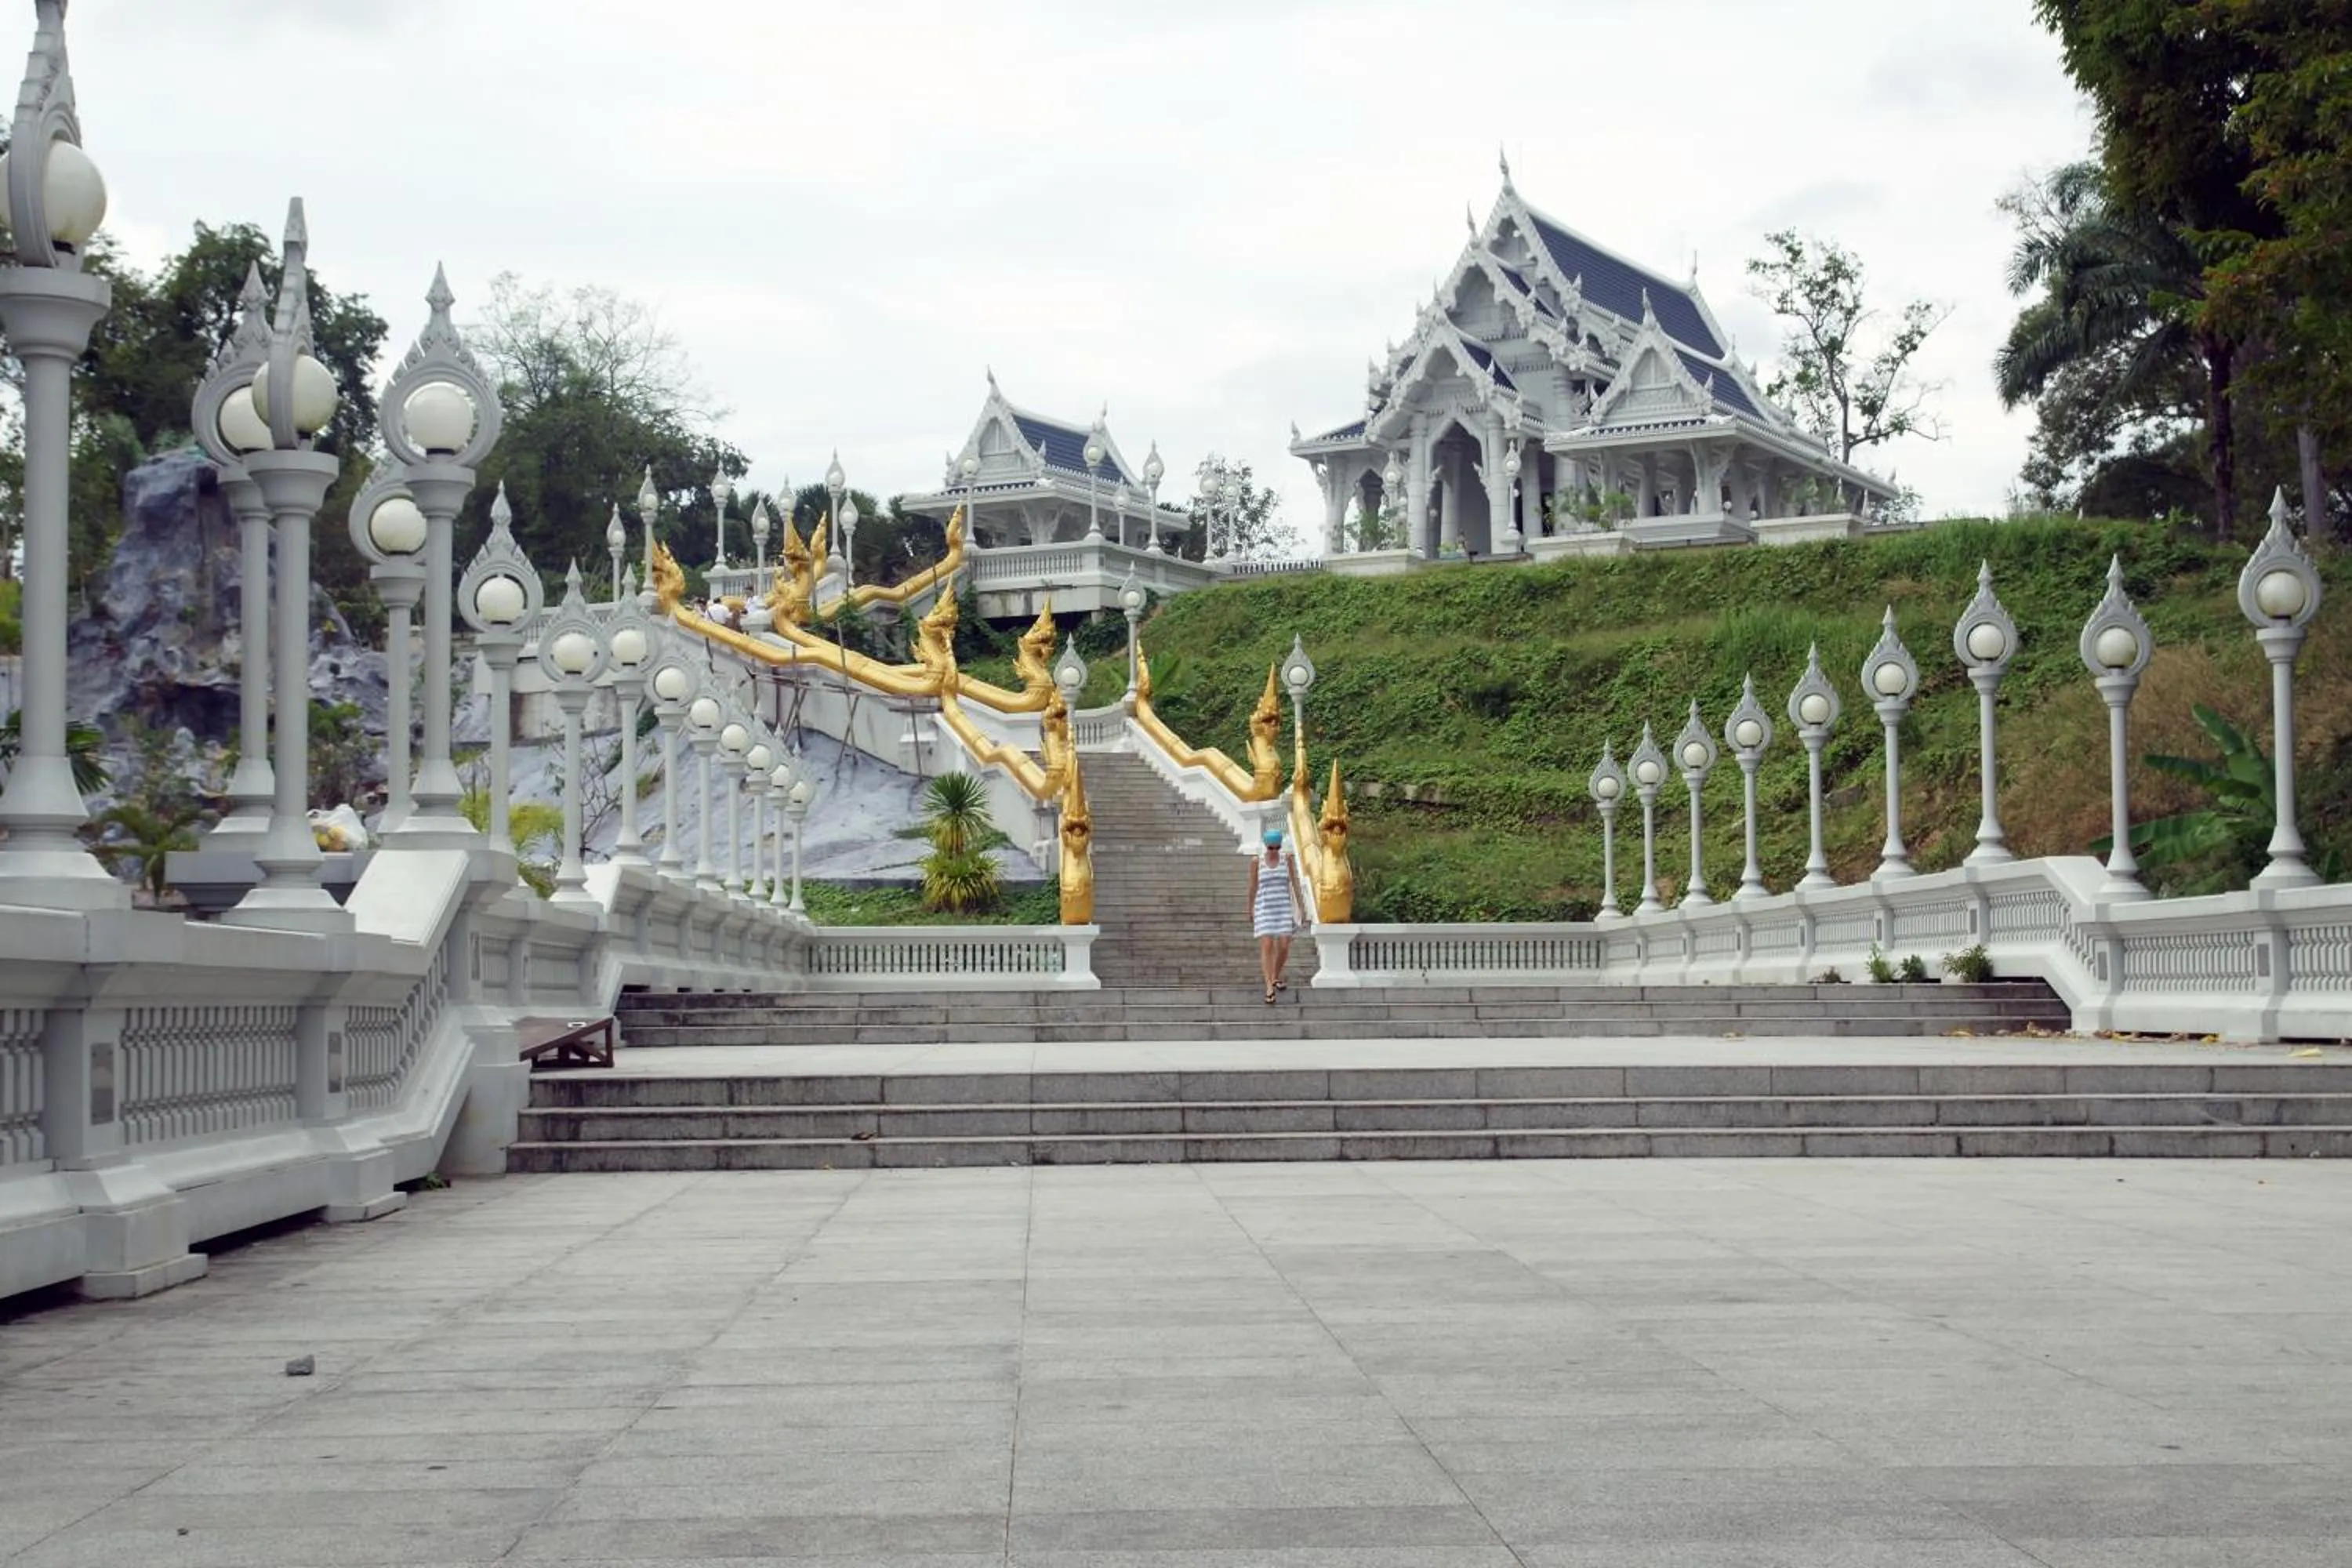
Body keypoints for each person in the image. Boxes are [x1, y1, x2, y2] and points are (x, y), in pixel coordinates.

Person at [1247, 826, 1307, 1004]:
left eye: (1277, 847)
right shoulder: (1257, 862)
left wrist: (1301, 908)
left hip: (1283, 907)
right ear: (1266, 846)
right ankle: (1269, 986)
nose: (1274, 851)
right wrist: (1250, 908)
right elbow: (1253, 886)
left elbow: (1295, 883)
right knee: (1266, 945)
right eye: (1271, 848)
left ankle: (1275, 976)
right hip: (1264, 907)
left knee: (1284, 944)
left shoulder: (1286, 860)